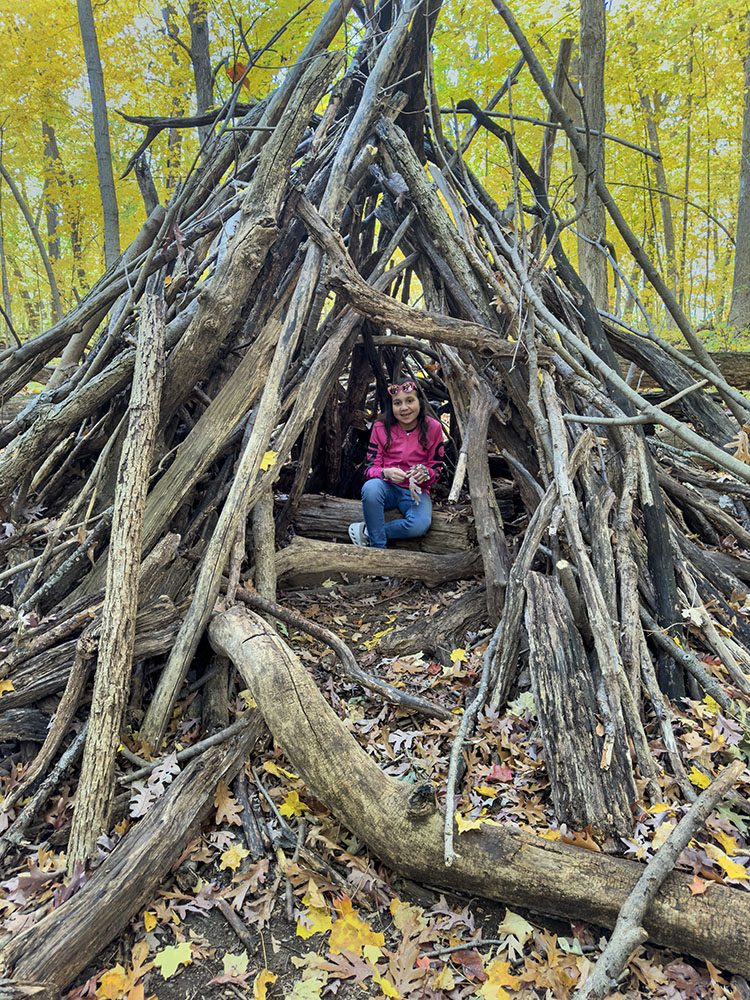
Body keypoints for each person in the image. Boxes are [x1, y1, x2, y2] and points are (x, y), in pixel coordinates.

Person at [348, 381, 444, 549]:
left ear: (420, 402)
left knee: (419, 525)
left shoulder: (433, 428)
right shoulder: (380, 427)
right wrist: (386, 473)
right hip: (387, 489)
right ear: (390, 406)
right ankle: (378, 549)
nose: (404, 408)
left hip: (416, 493)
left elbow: (437, 468)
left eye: (409, 400)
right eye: (397, 403)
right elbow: (370, 468)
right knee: (371, 488)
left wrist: (426, 474)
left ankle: (368, 532)